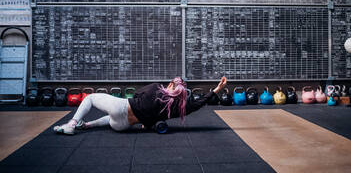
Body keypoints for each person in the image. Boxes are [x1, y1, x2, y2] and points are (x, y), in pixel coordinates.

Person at [53, 76, 228, 135]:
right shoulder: (177, 109)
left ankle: (72, 124)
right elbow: (198, 103)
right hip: (123, 126)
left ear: (170, 85)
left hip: (121, 108)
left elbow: (135, 95)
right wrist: (217, 89)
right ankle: (88, 125)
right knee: (110, 119)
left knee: (90, 98)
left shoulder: (155, 88)